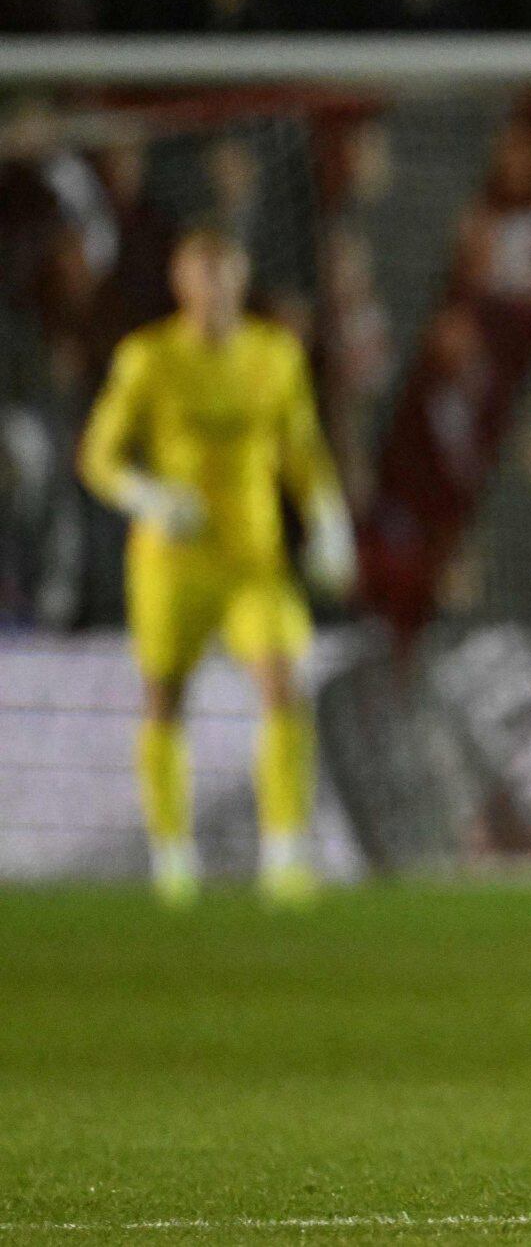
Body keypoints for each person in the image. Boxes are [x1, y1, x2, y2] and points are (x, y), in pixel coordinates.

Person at [78, 228, 356, 907]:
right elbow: (98, 457)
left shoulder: (275, 354)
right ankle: (173, 858)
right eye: (202, 277)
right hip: (171, 563)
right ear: (181, 284)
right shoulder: (148, 357)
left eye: (224, 276)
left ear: (241, 280)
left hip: (253, 561)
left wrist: (329, 521)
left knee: (283, 684)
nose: (214, 291)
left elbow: (302, 450)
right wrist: (148, 497)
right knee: (164, 699)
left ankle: (285, 855)